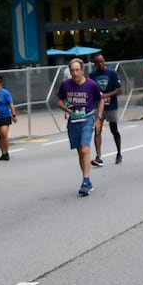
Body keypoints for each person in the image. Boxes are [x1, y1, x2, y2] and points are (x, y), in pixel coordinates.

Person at [56, 59, 102, 196]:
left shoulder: (91, 85)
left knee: (85, 148)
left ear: (82, 70)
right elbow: (59, 100)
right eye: (72, 70)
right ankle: (86, 179)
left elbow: (101, 101)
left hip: (87, 118)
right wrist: (67, 110)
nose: (75, 73)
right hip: (74, 121)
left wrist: (98, 119)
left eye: (77, 70)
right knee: (80, 152)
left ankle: (86, 181)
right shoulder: (65, 85)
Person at [90, 54, 124, 166]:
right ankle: (98, 156)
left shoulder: (112, 73)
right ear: (95, 64)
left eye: (102, 62)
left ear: (104, 61)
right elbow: (90, 90)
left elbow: (119, 90)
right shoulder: (93, 75)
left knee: (114, 130)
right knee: (97, 130)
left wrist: (107, 95)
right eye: (98, 63)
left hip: (111, 106)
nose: (100, 64)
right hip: (98, 106)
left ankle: (119, 153)